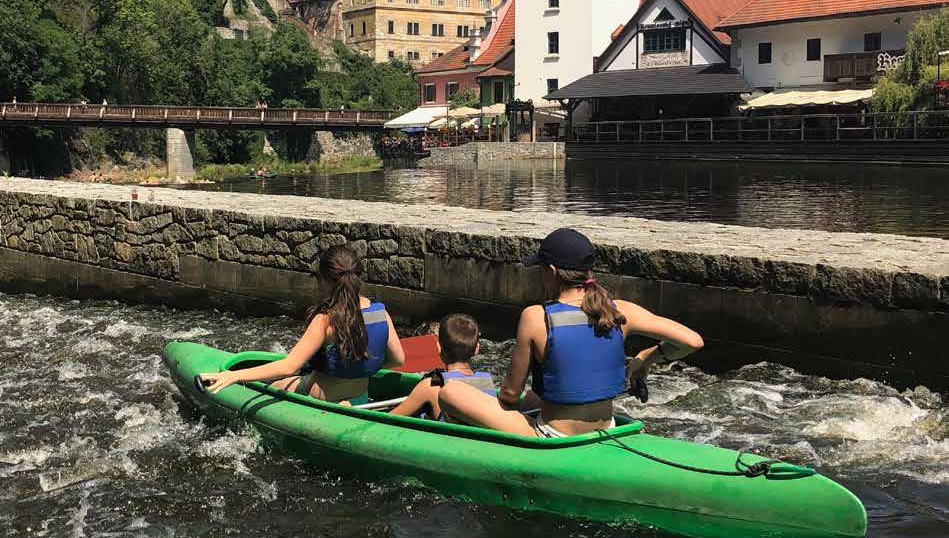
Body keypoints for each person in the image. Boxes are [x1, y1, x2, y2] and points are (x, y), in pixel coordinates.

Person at [440, 228, 704, 438]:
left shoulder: (535, 317)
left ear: (551, 272)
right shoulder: (620, 311)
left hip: (552, 436)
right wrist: (647, 356)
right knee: (533, 395)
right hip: (607, 428)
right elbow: (692, 341)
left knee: (451, 392)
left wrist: (490, 409)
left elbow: (509, 394)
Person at [202, 244, 405, 403]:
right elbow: (398, 360)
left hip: (322, 397)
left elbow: (289, 366)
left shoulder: (325, 320)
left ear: (324, 280)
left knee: (276, 385)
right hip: (359, 397)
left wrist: (235, 376)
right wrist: (359, 366)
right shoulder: (381, 313)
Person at [390, 313, 496, 421]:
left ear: (438, 347)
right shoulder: (486, 382)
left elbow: (388, 420)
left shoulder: (430, 386)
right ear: (477, 349)